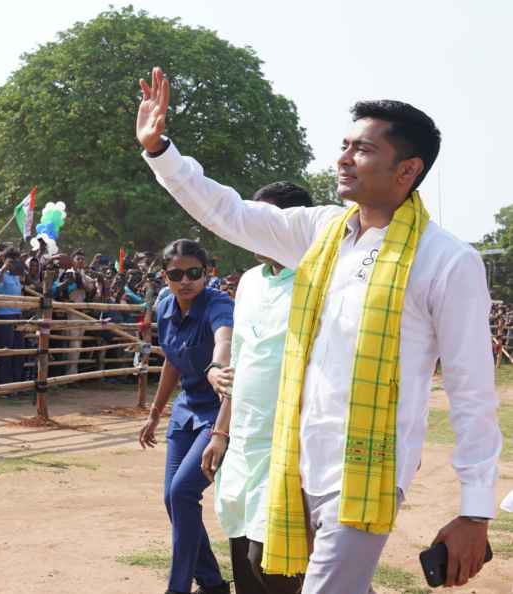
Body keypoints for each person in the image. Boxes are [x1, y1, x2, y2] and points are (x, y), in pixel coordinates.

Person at [137, 66, 501, 592]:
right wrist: (161, 151)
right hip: (292, 460)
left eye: (363, 150)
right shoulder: (320, 232)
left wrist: (475, 511)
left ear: (407, 170)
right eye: (345, 145)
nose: (343, 159)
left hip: (366, 470)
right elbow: (229, 212)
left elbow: (472, 391)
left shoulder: (446, 261)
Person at [200, 182, 313, 594]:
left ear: (292, 226)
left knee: (274, 567)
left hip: (291, 449)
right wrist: (220, 431)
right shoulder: (250, 281)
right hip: (245, 443)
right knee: (244, 561)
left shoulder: (319, 280)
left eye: (260, 221)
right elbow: (241, 361)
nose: (249, 229)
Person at [138, 239, 233, 594]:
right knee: (172, 498)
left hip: (219, 412)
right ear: (165, 277)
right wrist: (155, 412)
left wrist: (217, 366)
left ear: (207, 272)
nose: (185, 280)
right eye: (176, 274)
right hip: (185, 410)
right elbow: (172, 360)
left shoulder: (218, 303)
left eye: (194, 272)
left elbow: (224, 336)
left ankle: (177, 588)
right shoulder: (164, 307)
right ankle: (211, 583)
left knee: (182, 492)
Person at [0, 248, 24, 384]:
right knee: (6, 351)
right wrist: (3, 270)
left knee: (18, 350)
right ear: (4, 259)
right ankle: (5, 384)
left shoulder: (16, 276)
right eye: (11, 259)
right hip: (4, 316)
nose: (14, 262)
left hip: (17, 315)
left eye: (16, 259)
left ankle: (17, 383)